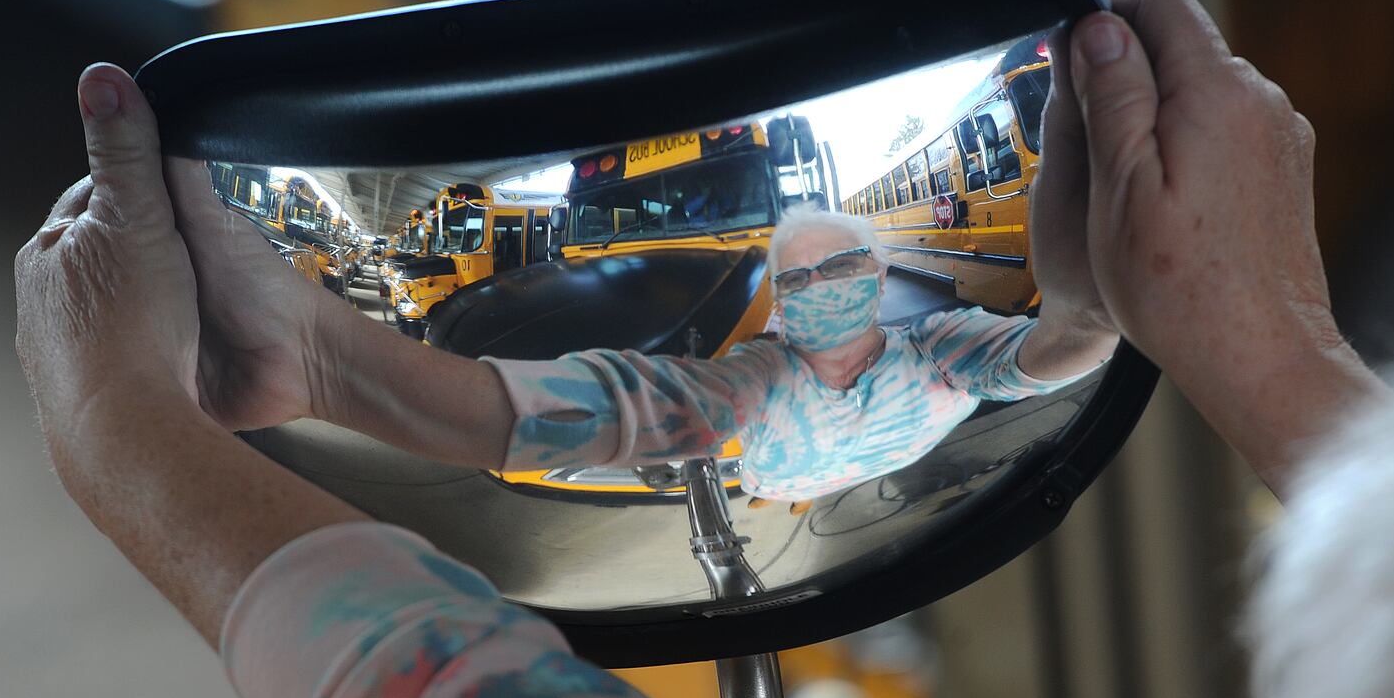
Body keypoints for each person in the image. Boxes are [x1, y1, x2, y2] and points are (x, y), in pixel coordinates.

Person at [19, 0, 1394, 698]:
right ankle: (325, 367)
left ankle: (326, 368)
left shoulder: (902, 356)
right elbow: (1054, 347)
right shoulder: (798, 378)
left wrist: (131, 444)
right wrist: (1262, 350)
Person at [477, 205, 1116, 500]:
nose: (822, 284)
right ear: (779, 303)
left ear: (881, 275)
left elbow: (1062, 343)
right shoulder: (766, 371)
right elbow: (661, 403)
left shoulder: (939, 348)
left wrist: (1102, 287)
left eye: (842, 264)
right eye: (797, 277)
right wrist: (493, 413)